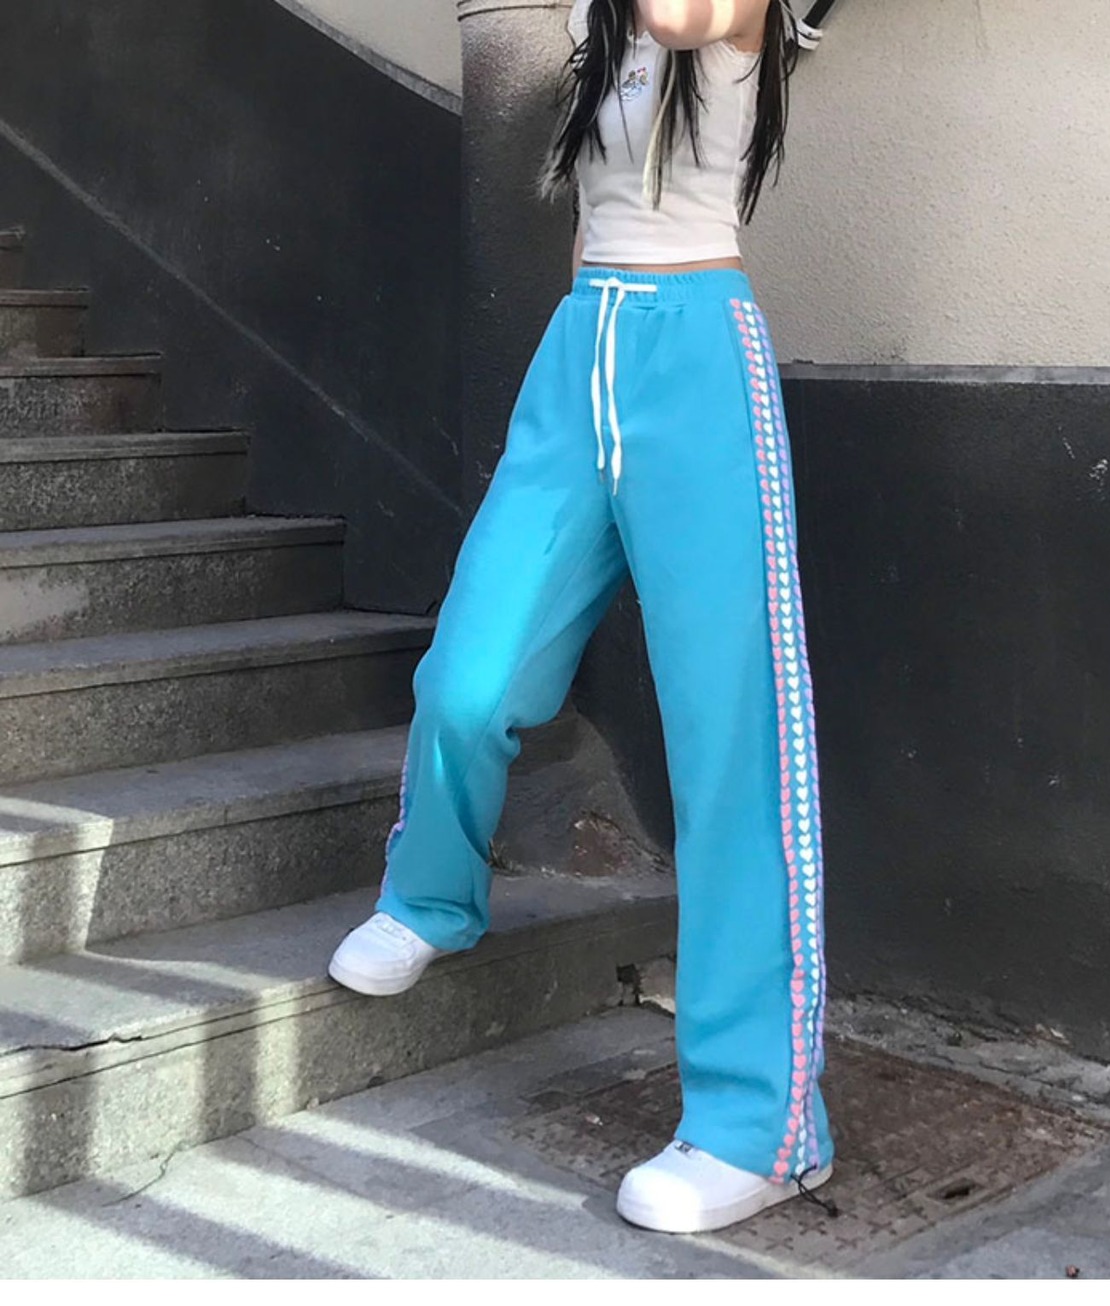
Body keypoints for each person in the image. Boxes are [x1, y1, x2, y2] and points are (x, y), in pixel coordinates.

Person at [328, 0, 833, 1234]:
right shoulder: (593, 27)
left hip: (697, 359)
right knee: (469, 673)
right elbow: (595, 203)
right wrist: (573, 363)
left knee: (729, 744)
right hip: (582, 351)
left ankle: (760, 1127)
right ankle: (430, 896)